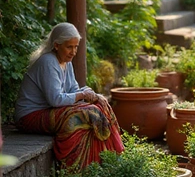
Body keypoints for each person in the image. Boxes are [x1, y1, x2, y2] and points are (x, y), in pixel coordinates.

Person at [14, 23, 124, 168]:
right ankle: (75, 168)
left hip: (49, 110)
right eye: (69, 47)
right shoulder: (48, 62)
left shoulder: (66, 61)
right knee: (86, 114)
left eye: (76, 47)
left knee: (101, 103)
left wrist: (90, 94)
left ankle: (110, 160)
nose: (73, 51)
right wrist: (82, 95)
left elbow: (73, 89)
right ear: (57, 45)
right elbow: (55, 99)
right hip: (29, 116)